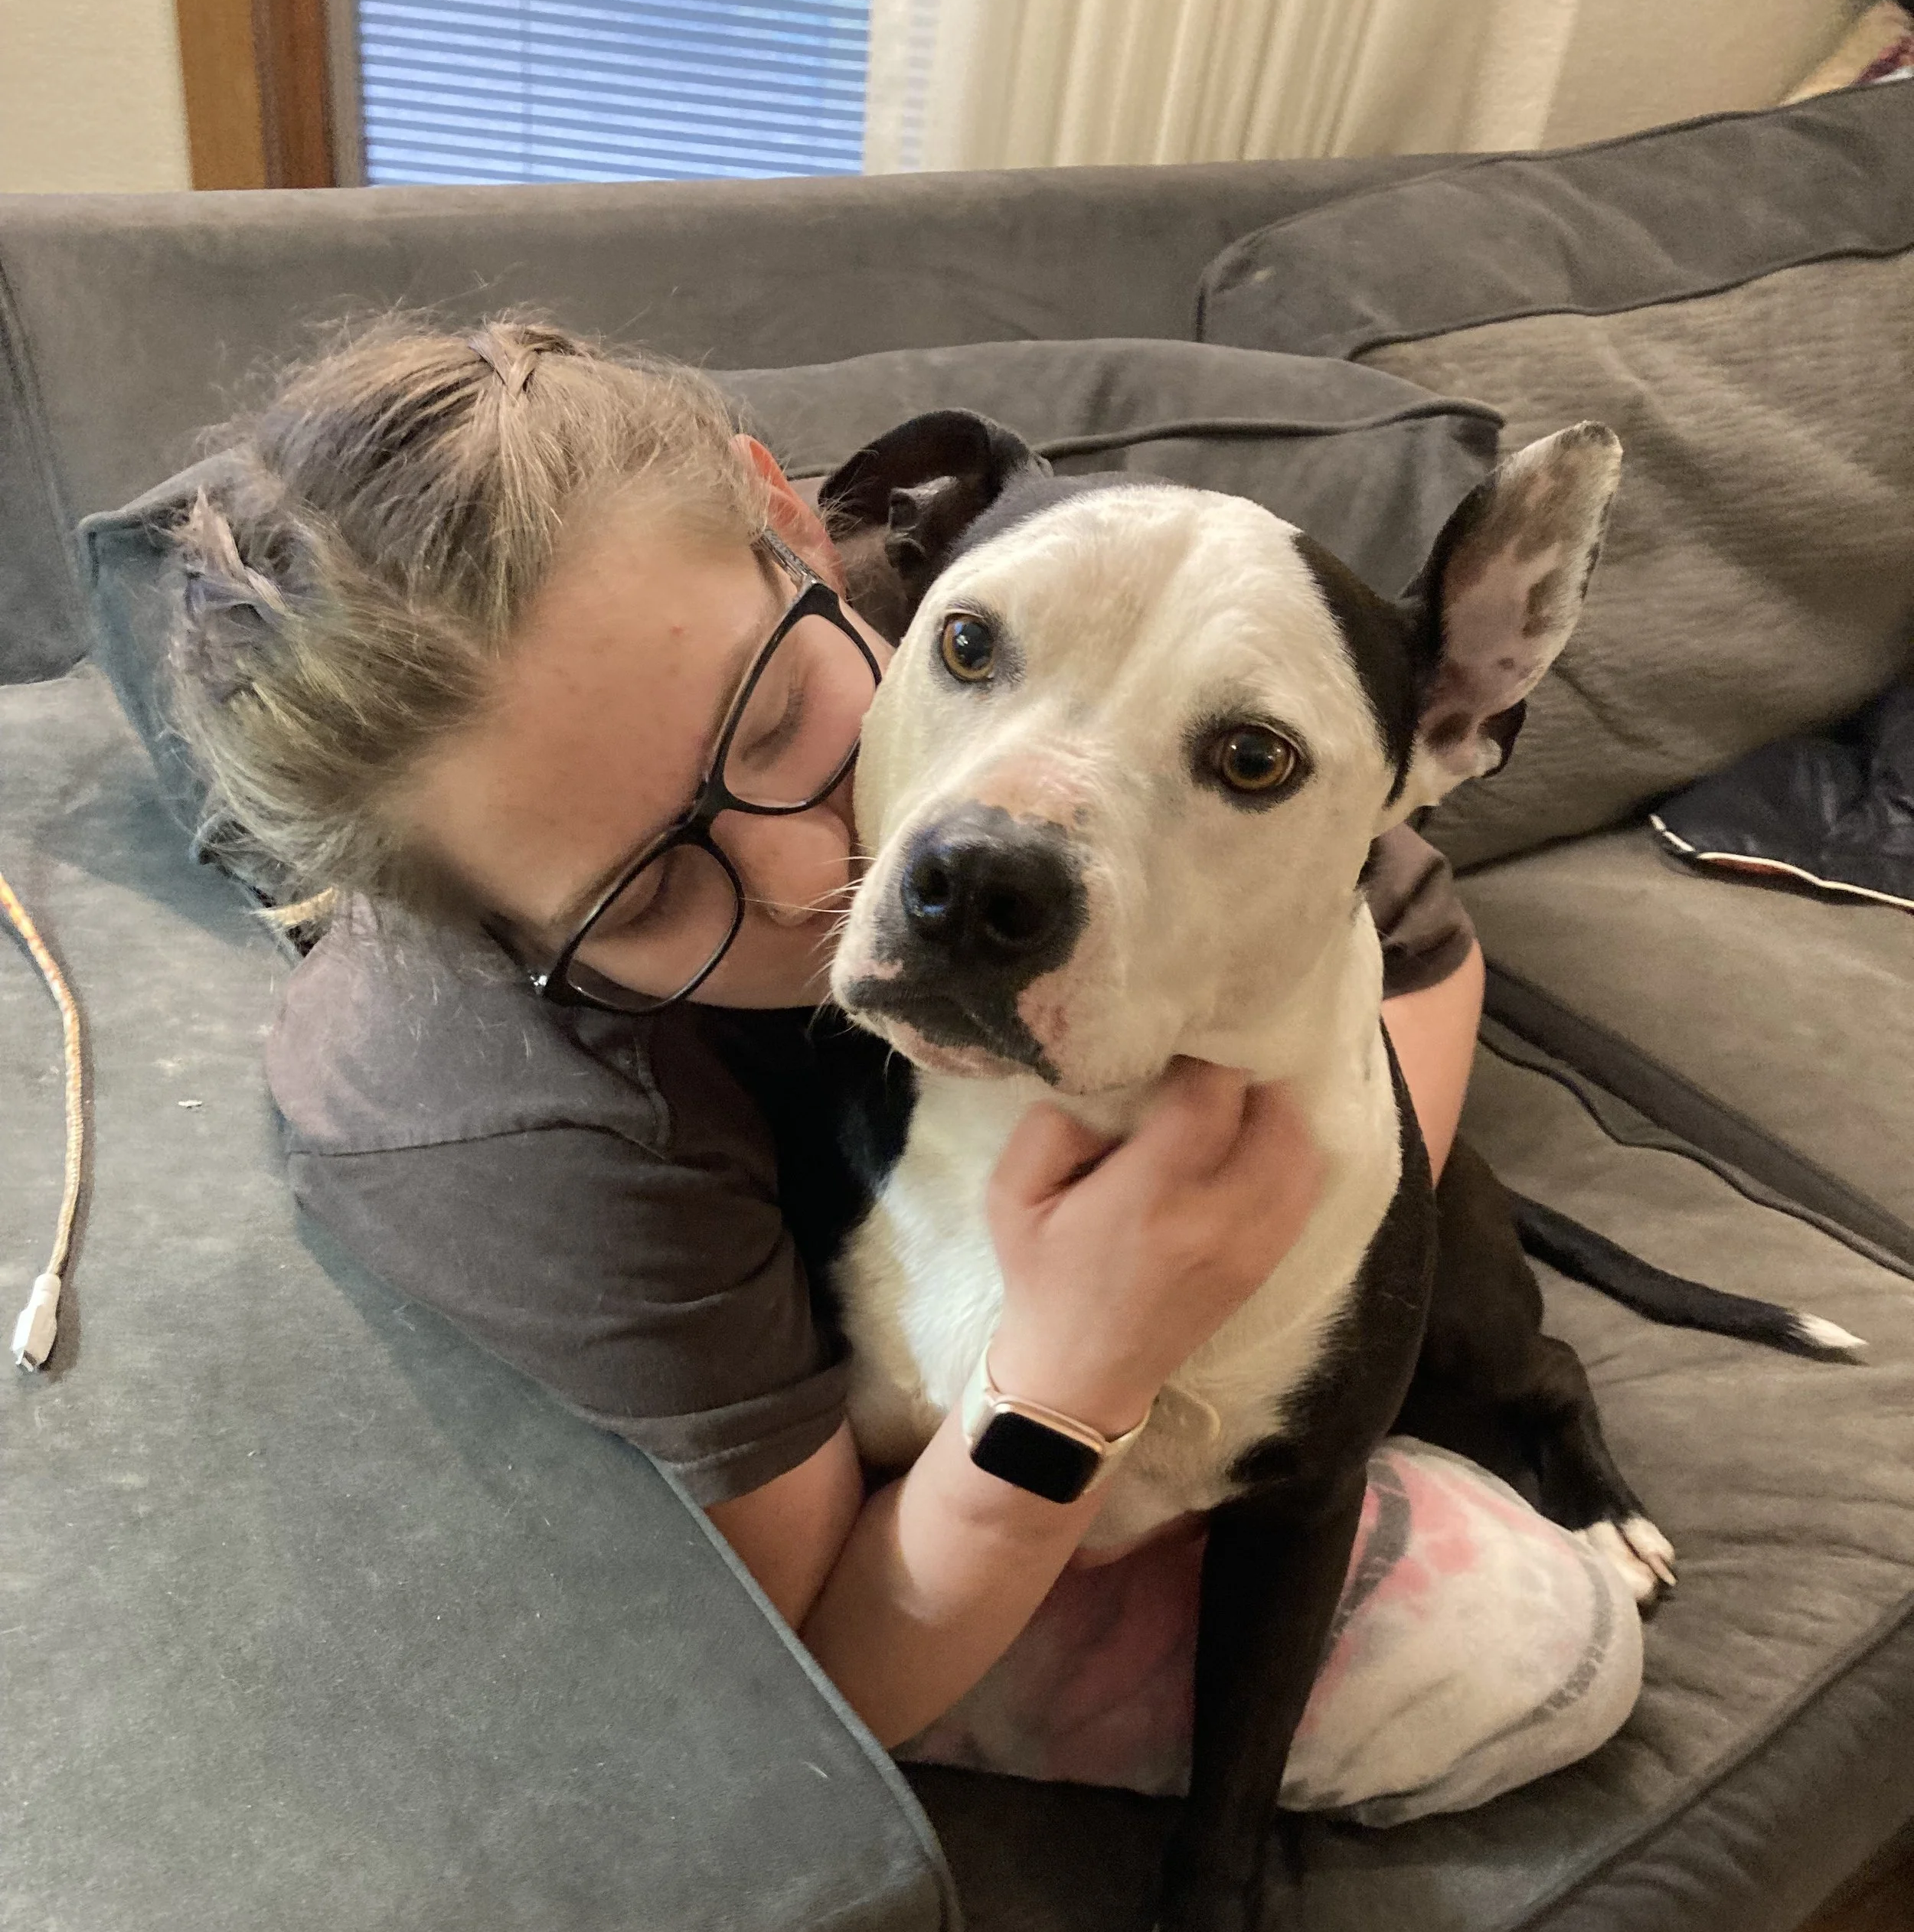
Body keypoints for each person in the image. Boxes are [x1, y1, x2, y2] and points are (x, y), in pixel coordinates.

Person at [175, 317, 1630, 1802]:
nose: (824, 857)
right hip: (939, 1521)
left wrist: (1321, 1254)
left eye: (781, 718)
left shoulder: (954, 618)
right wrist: (1076, 1376)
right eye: (653, 888)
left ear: (793, 522)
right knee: (1517, 1645)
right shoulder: (532, 1124)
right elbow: (824, 1675)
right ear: (508, 931)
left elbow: (1404, 922)